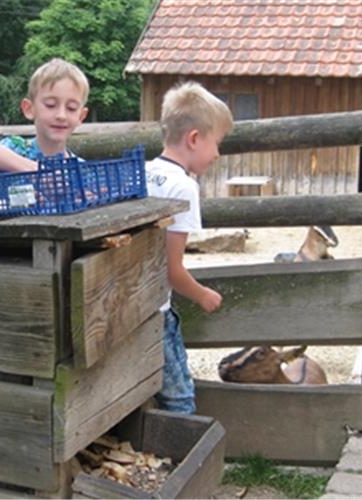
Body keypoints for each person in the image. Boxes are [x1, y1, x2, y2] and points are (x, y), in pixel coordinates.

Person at [145, 81, 233, 414]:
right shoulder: (183, 187)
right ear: (194, 138)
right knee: (180, 398)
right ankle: (183, 460)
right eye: (217, 143)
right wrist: (202, 295)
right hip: (158, 312)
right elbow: (172, 268)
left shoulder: (146, 172)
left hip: (135, 309)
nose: (217, 154)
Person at [0, 58, 89, 171]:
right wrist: (35, 169)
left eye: (71, 108)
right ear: (29, 109)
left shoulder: (82, 169)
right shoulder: (17, 147)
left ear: (81, 116)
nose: (61, 115)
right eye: (50, 105)